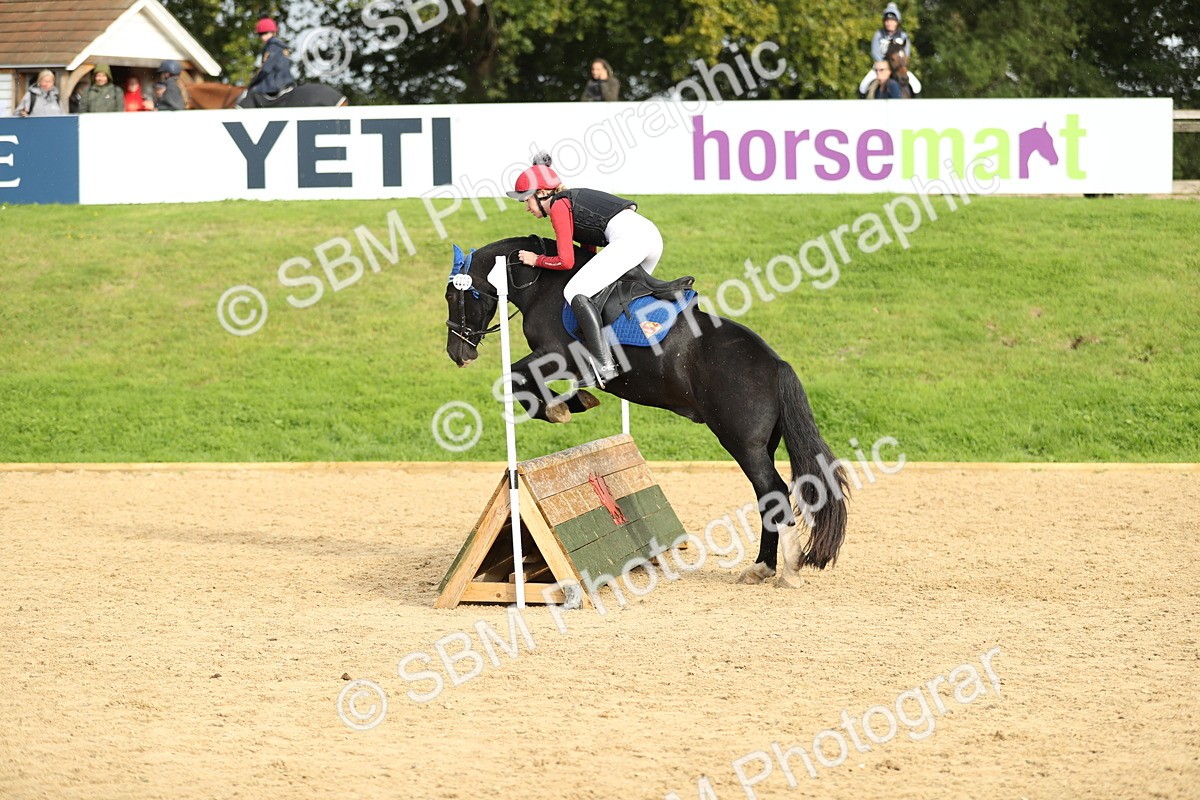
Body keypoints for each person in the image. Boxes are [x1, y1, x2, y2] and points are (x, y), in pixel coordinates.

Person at [507, 153, 663, 387]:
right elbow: (588, 251)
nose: (526, 208)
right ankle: (629, 349)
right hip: (650, 238)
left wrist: (536, 259)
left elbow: (566, 261)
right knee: (611, 295)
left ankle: (604, 365)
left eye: (525, 200)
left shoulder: (559, 206)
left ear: (541, 194)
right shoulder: (568, 200)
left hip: (632, 240)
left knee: (575, 291)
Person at [858, 3, 922, 96]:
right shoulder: (879, 34)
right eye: (887, 21)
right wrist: (885, 65)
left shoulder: (903, 36)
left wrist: (898, 64)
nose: (889, 23)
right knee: (863, 87)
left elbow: (906, 53)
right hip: (881, 67)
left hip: (898, 67)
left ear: (897, 22)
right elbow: (874, 52)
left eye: (892, 21)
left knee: (916, 86)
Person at [241, 18, 296, 107]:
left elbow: (266, 69)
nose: (263, 37)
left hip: (276, 83)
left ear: (273, 33)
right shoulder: (278, 46)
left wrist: (252, 84)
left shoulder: (273, 47)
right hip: (283, 80)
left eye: (266, 34)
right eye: (261, 34)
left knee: (251, 95)